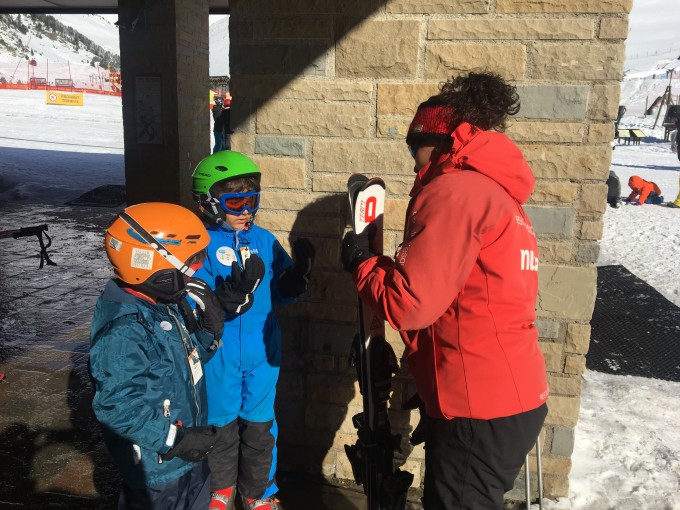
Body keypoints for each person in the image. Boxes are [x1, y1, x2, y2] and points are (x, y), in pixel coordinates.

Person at [341, 72, 549, 510]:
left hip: (478, 405)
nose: (412, 160)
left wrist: (363, 262)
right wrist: (431, 382)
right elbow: (468, 301)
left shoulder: (455, 190)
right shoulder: (498, 194)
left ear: (440, 139)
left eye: (414, 145)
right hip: (502, 394)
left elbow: (410, 304)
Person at [90, 202, 259, 509]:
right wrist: (176, 440)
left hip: (187, 455)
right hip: (159, 468)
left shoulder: (162, 305)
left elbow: (182, 363)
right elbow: (116, 406)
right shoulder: (125, 330)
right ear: (151, 261)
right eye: (191, 259)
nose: (197, 267)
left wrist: (210, 332)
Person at [191, 151, 315, 510]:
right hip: (219, 351)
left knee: (260, 425)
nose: (247, 210)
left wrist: (294, 280)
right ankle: (221, 488)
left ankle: (258, 491)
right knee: (221, 423)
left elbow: (278, 292)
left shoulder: (262, 240)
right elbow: (191, 298)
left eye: (253, 200)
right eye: (236, 202)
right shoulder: (199, 243)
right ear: (209, 203)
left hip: (263, 350)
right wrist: (222, 301)